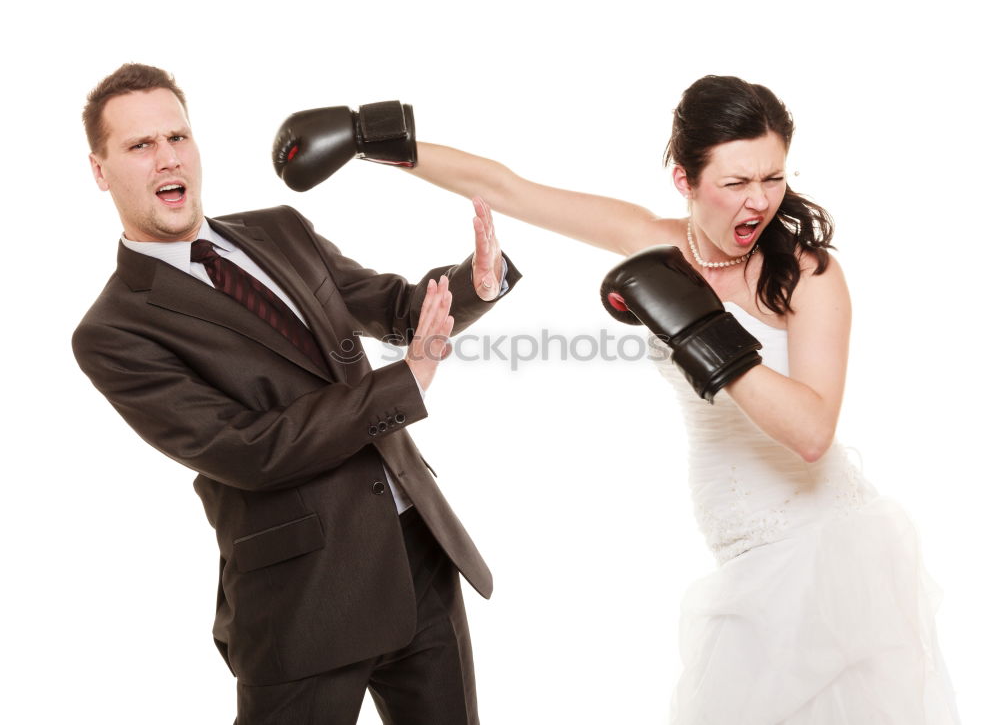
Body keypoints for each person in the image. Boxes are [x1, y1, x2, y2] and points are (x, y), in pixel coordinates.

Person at [392, 75, 960, 722]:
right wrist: (379, 140)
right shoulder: (654, 243)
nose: (760, 202)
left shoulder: (809, 272)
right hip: (741, 563)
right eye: (736, 183)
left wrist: (701, 328)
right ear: (685, 181)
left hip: (826, 555)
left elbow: (810, 433)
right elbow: (509, 189)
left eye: (773, 178)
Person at [72, 63, 519, 725]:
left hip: (415, 551)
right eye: (140, 145)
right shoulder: (114, 331)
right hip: (305, 598)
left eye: (177, 136)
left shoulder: (280, 228)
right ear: (101, 169)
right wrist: (407, 379)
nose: (167, 156)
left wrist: (475, 282)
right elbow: (250, 450)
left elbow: (394, 307)